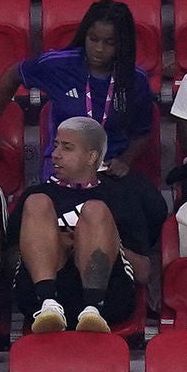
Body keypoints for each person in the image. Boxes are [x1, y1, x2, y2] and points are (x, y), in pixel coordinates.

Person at [15, 117, 170, 336]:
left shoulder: (124, 196)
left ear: (92, 156)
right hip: (40, 300)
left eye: (66, 148)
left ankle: (92, 308)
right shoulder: (34, 195)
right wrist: (52, 245)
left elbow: (143, 272)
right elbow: (10, 261)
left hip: (109, 299)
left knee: (95, 210)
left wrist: (100, 243)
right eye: (56, 145)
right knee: (38, 203)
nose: (55, 154)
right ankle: (48, 303)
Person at [0, 0, 162, 183]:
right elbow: (12, 75)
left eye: (109, 43)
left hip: (108, 169)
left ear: (122, 43)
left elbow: (142, 133)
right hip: (62, 167)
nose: (98, 49)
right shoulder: (58, 64)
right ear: (84, 36)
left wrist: (125, 161)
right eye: (93, 39)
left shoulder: (136, 79)